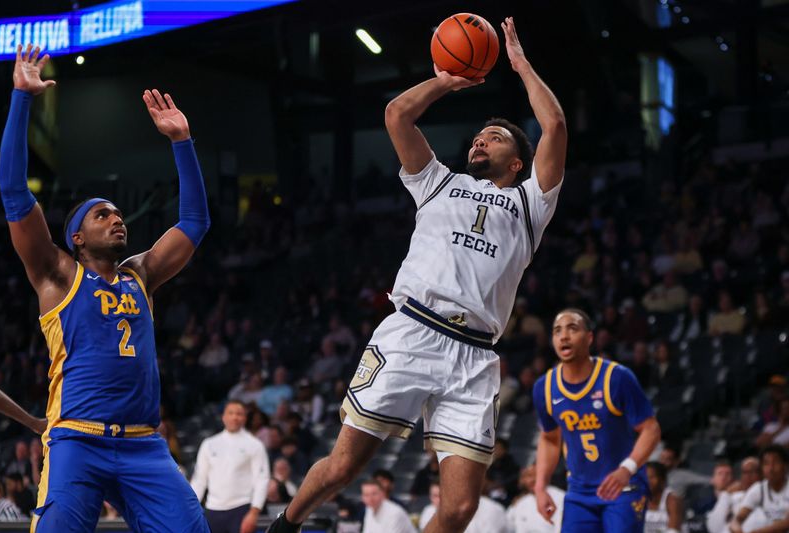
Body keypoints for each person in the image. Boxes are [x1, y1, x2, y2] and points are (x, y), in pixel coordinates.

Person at [268, 16, 567, 533]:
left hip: (475, 355)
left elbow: (556, 127)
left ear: (517, 161)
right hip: (413, 331)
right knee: (344, 466)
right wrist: (446, 81)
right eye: (476, 137)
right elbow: (397, 114)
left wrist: (518, 65)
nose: (478, 142)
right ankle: (286, 524)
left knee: (458, 509)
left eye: (492, 138)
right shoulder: (436, 182)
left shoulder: (530, 204)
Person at [0, 44, 210, 532]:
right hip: (76, 439)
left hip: (143, 443)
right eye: (102, 215)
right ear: (76, 236)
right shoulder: (57, 274)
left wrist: (182, 141)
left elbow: (195, 221)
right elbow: (13, 192)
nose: (116, 219)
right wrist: (22, 100)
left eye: (118, 213)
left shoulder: (142, 274)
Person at [533, 309, 661, 531]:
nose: (564, 336)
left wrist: (627, 469)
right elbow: (550, 439)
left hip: (624, 487)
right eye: (557, 331)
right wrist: (540, 486)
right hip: (579, 493)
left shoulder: (617, 377)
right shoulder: (544, 387)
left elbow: (651, 429)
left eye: (572, 329)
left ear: (590, 338)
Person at [191, 400, 270, 533]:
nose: (234, 417)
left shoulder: (255, 445)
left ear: (244, 417)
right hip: (212, 510)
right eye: (231, 413)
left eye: (239, 413)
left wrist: (254, 512)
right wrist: (191, 509)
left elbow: (262, 480)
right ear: (223, 416)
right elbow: (199, 480)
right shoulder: (209, 444)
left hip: (241, 509)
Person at [728, 446, 789, 533]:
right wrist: (738, 530)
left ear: (786, 466)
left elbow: (786, 524)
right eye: (766, 463)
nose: (771, 468)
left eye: (775, 462)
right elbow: (737, 520)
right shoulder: (759, 488)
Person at [706, 457, 760, 533]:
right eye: (745, 472)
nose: (748, 476)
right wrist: (726, 494)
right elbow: (714, 528)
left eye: (753, 472)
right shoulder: (732, 497)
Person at [506, 464, 564, 533]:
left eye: (534, 475)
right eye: (526, 476)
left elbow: (560, 527)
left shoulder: (559, 497)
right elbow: (508, 526)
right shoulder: (521, 503)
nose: (531, 480)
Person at [644, 462, 684, 533]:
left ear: (662, 480)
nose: (648, 481)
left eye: (652, 477)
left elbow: (673, 530)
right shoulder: (638, 498)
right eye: (645, 477)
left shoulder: (673, 500)